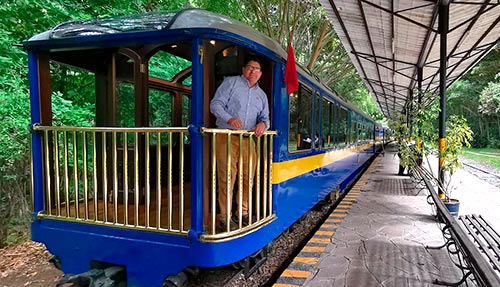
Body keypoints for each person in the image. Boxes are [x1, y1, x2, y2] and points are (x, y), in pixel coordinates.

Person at [210, 55, 270, 231]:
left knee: (247, 178)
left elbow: (266, 118)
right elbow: (215, 104)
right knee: (227, 178)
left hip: (248, 140)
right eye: (250, 67)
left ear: (260, 73)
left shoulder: (261, 95)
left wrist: (262, 125)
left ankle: (242, 213)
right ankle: (225, 217)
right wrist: (229, 119)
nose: (253, 71)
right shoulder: (231, 83)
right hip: (226, 137)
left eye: (257, 69)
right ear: (244, 69)